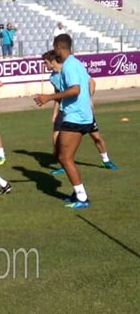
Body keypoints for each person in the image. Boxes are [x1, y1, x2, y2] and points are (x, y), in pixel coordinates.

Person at [34, 34, 94, 209]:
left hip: (77, 117)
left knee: (64, 157)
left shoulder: (69, 65)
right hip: (78, 115)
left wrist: (49, 97)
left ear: (59, 47)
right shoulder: (75, 63)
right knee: (62, 155)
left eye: (55, 48)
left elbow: (75, 90)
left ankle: (82, 197)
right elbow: (89, 83)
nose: (54, 51)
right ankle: (77, 193)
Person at [42, 50, 119, 175]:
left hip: (81, 110)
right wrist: (55, 113)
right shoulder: (53, 78)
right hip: (65, 111)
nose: (44, 66)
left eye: (45, 63)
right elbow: (58, 96)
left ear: (52, 61)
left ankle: (105, 160)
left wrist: (89, 99)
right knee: (56, 138)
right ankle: (64, 164)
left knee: (96, 137)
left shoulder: (71, 68)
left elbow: (91, 82)